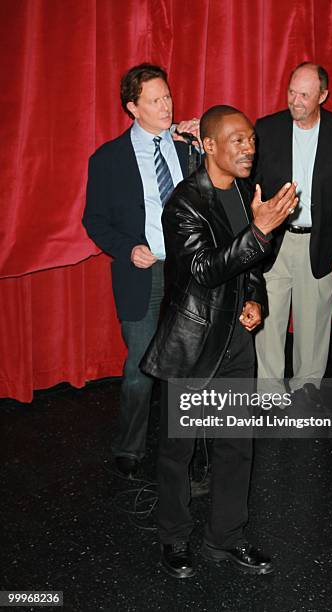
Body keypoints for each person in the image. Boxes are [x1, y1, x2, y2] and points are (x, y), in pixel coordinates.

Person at [141, 105, 298, 578]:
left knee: (235, 445)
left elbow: (250, 265)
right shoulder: (184, 204)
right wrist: (260, 230)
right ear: (208, 146)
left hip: (234, 340)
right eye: (237, 140)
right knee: (178, 451)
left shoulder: (247, 190)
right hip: (191, 344)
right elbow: (206, 269)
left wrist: (255, 300)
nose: (249, 148)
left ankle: (224, 538)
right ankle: (174, 538)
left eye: (251, 139)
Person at [82, 64, 200, 478]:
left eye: (167, 96)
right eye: (155, 100)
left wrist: (206, 143)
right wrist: (127, 248)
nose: (166, 105)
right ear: (133, 107)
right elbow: (94, 220)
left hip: (187, 270)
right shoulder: (109, 158)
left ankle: (187, 446)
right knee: (141, 366)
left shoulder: (187, 146)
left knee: (188, 362)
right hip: (143, 275)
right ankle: (129, 447)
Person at [254, 62, 332, 399]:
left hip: (321, 242)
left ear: (324, 96)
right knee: (268, 320)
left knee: (314, 321)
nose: (295, 100)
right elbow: (249, 185)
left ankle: (307, 386)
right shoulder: (266, 128)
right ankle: (269, 390)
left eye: (304, 94)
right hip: (275, 240)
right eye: (291, 91)